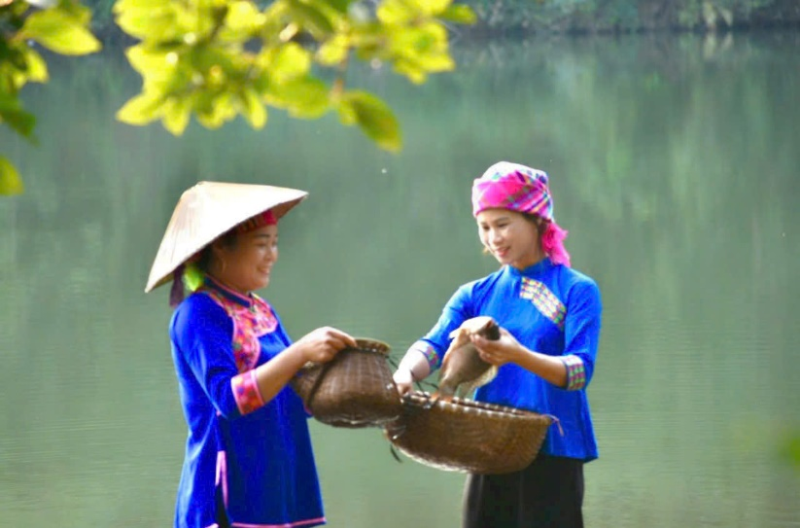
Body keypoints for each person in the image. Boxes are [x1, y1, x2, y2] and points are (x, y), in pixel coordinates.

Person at [392, 162, 602, 528]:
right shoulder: (474, 294)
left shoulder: (577, 290)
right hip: (488, 448)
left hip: (554, 451)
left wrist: (517, 354)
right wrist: (405, 373)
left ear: (537, 220)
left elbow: (580, 372)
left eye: (503, 224)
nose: (493, 238)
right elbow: (434, 344)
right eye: (484, 227)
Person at [145, 182, 356, 528]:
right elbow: (229, 399)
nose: (272, 255)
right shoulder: (198, 314)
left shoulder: (260, 309)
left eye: (274, 243)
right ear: (221, 248)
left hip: (278, 481)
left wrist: (337, 379)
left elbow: (295, 394)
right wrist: (300, 352)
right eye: (261, 244)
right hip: (231, 492)